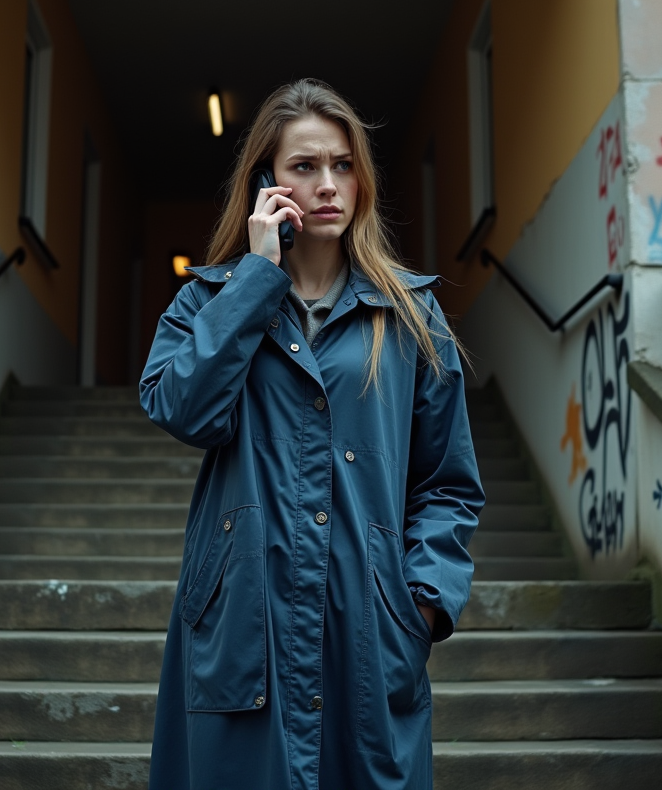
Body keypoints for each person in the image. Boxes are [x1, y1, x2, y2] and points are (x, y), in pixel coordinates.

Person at [140, 78, 484, 790]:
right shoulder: (207, 300)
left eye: (343, 164)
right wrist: (256, 279)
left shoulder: (412, 318)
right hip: (245, 619)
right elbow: (184, 410)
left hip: (368, 618)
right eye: (304, 167)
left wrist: (418, 602)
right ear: (266, 183)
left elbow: (447, 484)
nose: (328, 185)